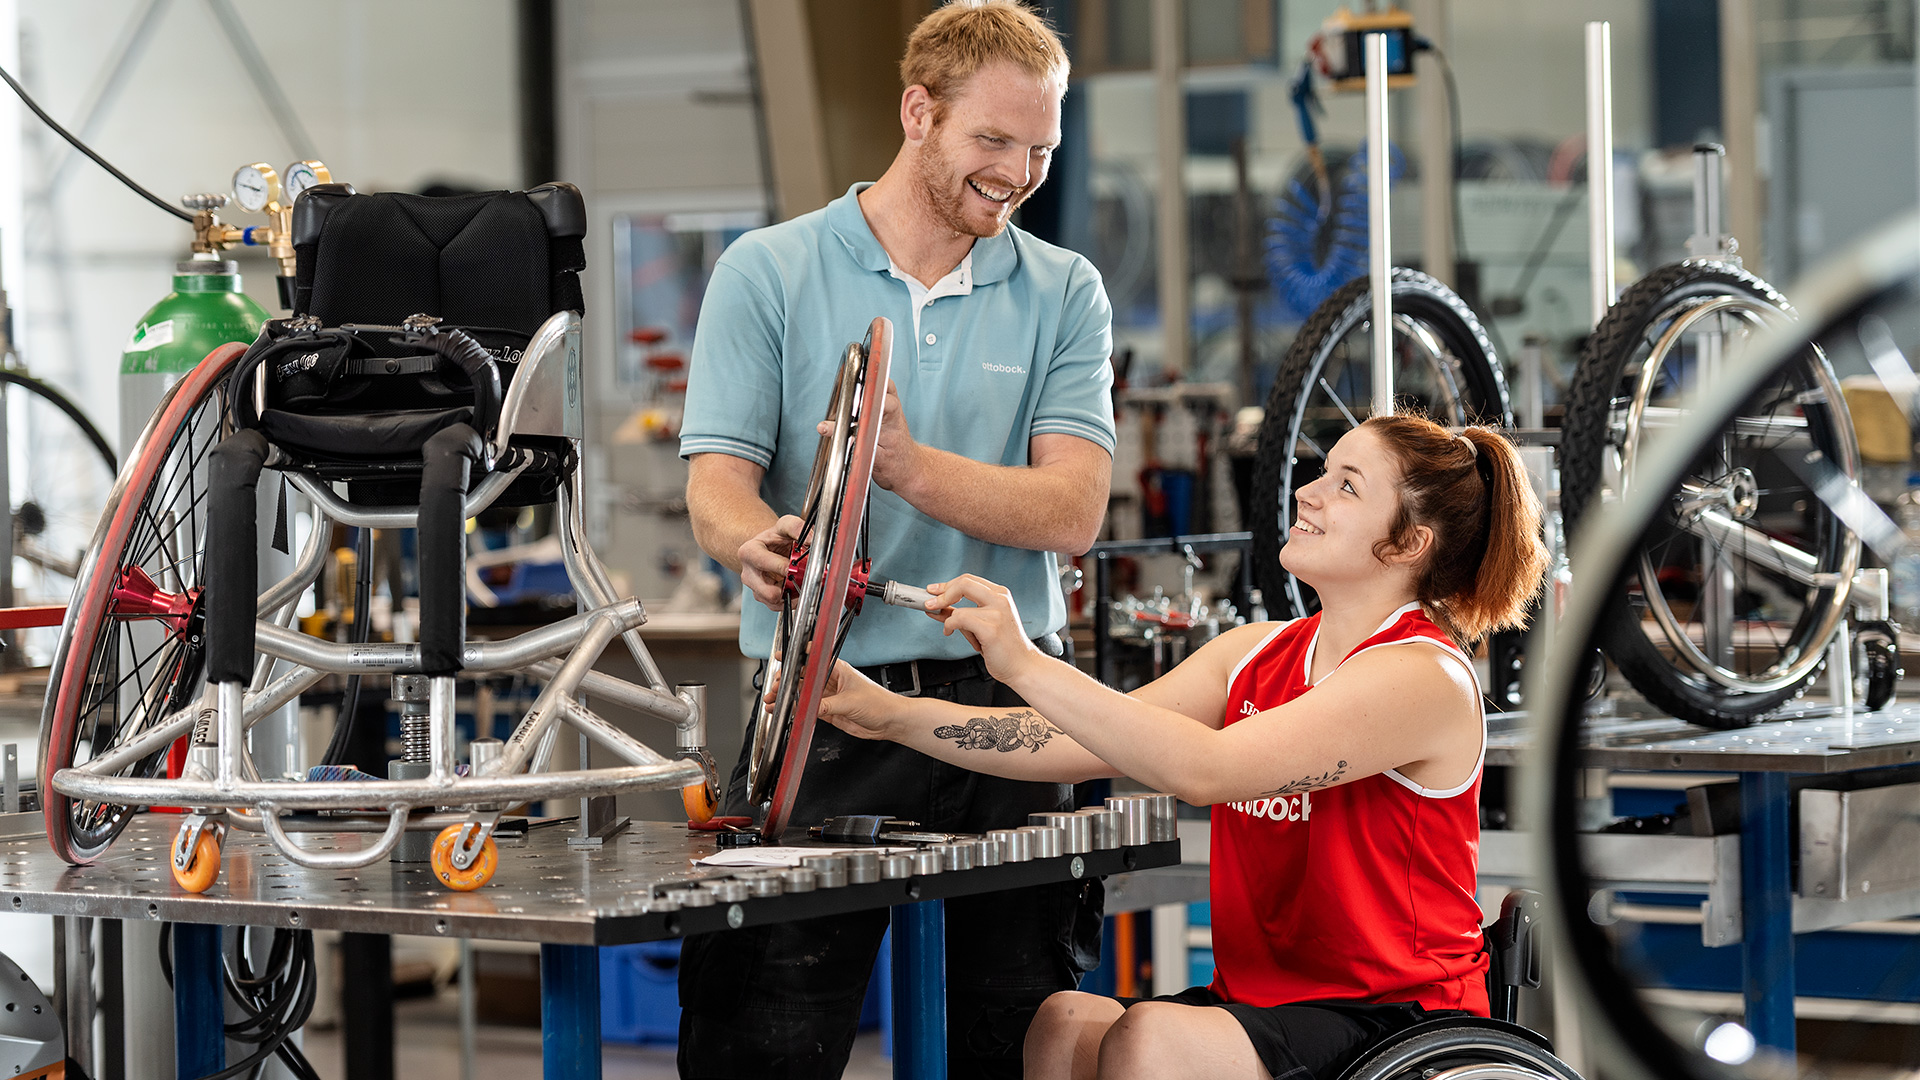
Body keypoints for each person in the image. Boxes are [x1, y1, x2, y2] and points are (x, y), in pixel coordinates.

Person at [807, 415, 1551, 1080]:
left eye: (1347, 487)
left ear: (1409, 543)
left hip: (1395, 1019)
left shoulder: (1422, 675)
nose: (1309, 493)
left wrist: (1025, 663)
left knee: (1150, 1040)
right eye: (1322, 473)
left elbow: (1205, 770)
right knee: (1065, 1022)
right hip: (1264, 1006)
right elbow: (1072, 740)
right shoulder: (1258, 653)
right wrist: (892, 715)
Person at [675, 2, 1115, 1076]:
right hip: (827, 701)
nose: (1018, 173)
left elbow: (1073, 512)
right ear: (919, 113)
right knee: (766, 1030)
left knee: (1023, 1034)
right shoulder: (766, 273)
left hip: (1012, 709)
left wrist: (904, 465)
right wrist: (756, 543)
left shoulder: (1063, 291)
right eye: (994, 142)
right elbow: (716, 487)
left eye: (1042, 149)